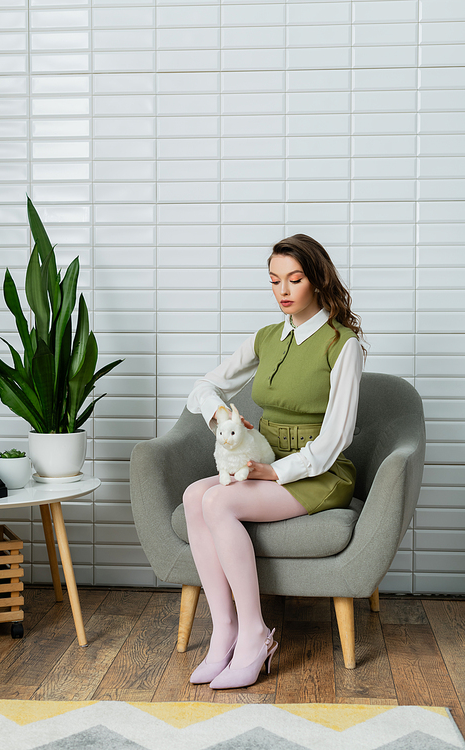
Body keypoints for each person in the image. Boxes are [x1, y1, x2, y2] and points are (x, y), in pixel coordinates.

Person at [183, 234, 366, 689]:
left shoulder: (343, 345)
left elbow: (336, 438)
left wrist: (276, 471)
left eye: (295, 279)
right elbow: (203, 386)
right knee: (193, 496)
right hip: (261, 459)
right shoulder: (266, 338)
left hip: (317, 473)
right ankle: (223, 632)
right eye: (274, 281)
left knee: (218, 504)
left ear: (317, 280)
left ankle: (255, 635)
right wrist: (221, 414)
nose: (283, 290)